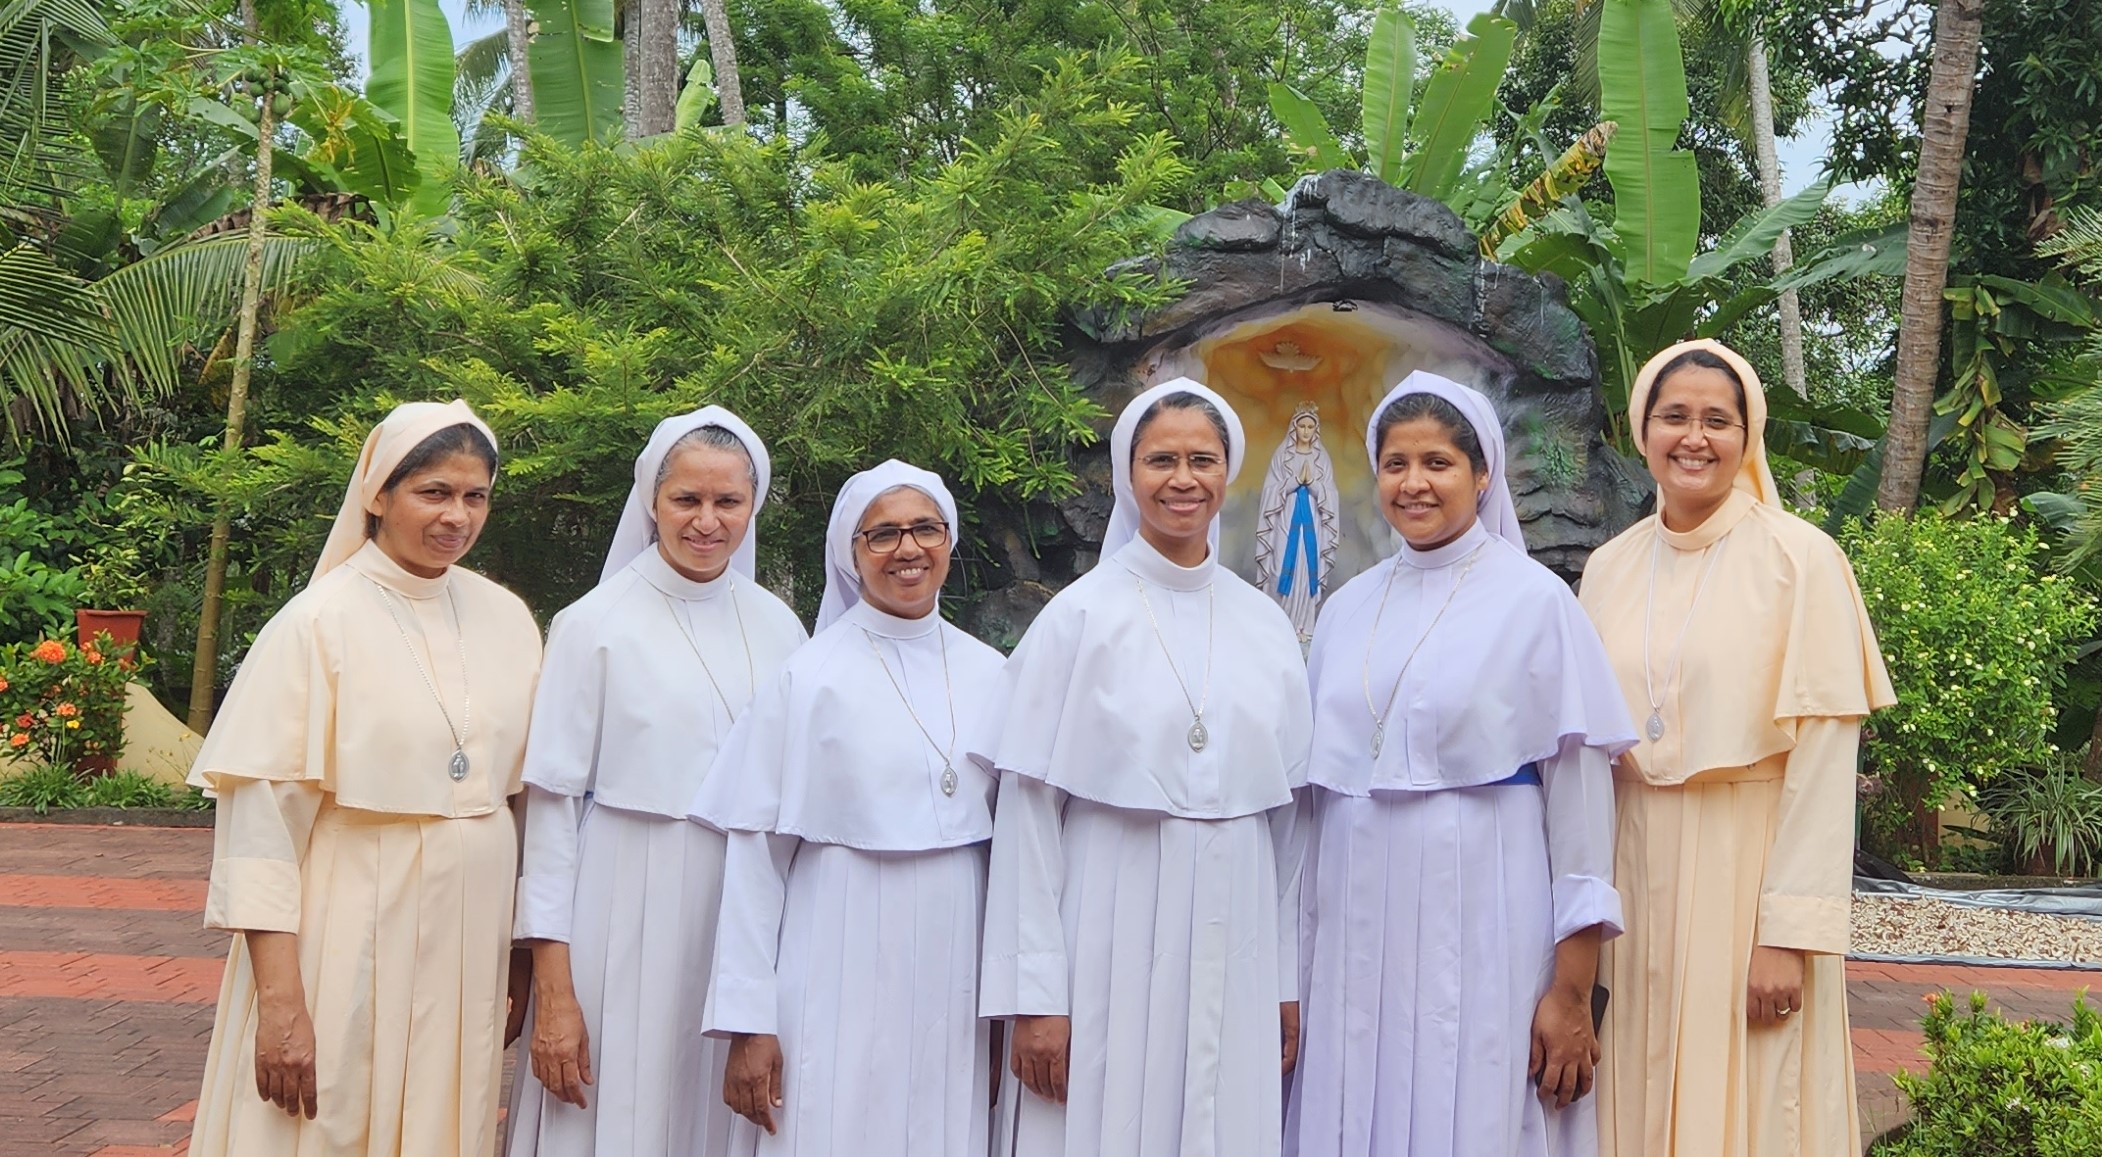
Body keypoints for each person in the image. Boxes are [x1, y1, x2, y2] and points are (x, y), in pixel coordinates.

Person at [1286, 373, 1636, 1157]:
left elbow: (1581, 813)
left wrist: (1572, 988)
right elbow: (1311, 806)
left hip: (1487, 912)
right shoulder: (1346, 608)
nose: (1414, 482)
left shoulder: (1536, 602)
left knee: (1475, 1099)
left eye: (1437, 463)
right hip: (1354, 929)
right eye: (1396, 464)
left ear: (1482, 476)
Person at [186, 401, 543, 1156]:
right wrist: (282, 1003)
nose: (456, 516)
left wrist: (519, 954)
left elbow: (523, 798)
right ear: (378, 495)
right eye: (434, 492)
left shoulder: (508, 618)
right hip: (344, 930)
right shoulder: (317, 622)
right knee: (325, 1120)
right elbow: (260, 829)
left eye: (475, 496)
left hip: (467, 937)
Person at [975, 379, 1314, 1157]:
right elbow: (1028, 820)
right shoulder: (1078, 615)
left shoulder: (1265, 625)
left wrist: (1283, 979)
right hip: (1105, 919)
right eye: (1162, 459)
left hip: (1237, 925)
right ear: (1128, 477)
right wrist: (1036, 995)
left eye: (1202, 459)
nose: (1182, 478)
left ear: (1228, 471)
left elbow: (1291, 831)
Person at [1577, 340, 1894, 1156]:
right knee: (1635, 1087)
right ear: (1642, 428)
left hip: (1746, 868)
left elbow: (1824, 761)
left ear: (1747, 434)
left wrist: (1788, 933)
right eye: (1674, 415)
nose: (1695, 436)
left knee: (1750, 1099)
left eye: (1718, 419)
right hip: (1631, 862)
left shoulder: (1802, 559)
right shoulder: (1608, 568)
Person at [508, 408, 807, 1156]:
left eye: (728, 501)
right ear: (652, 499)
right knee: (616, 1109)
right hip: (620, 904)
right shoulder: (592, 624)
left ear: (753, 504)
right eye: (686, 499)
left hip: (743, 910)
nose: (707, 521)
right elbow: (550, 813)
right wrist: (555, 990)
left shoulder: (781, 627)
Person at [690, 459, 1006, 1156]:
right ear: (851, 553)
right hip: (833, 945)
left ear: (949, 540)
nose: (907, 548)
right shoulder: (807, 678)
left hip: (953, 957)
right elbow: (755, 861)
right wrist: (750, 1020)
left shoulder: (993, 673)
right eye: (882, 534)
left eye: (925, 528)